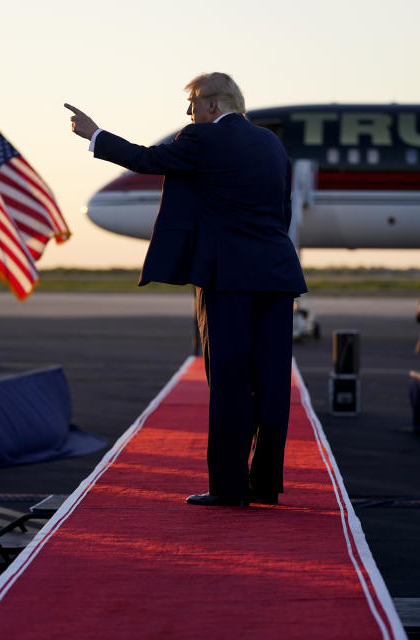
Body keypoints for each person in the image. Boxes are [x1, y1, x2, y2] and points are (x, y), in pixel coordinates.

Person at [65, 72, 307, 507]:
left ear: (212, 105)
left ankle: (230, 488)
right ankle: (266, 483)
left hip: (227, 278)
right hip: (277, 275)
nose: (189, 114)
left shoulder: (203, 139)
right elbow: (283, 210)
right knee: (271, 383)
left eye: (192, 105)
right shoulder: (271, 144)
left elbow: (147, 160)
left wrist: (95, 134)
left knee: (230, 381)